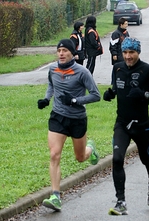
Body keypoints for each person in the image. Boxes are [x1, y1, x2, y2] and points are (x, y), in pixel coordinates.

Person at [104, 37, 149, 215]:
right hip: (122, 123)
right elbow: (116, 88)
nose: (127, 56)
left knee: (145, 158)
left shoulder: (147, 70)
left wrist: (145, 94)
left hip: (141, 125)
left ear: (138, 52)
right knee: (117, 159)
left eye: (131, 52)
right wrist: (110, 93)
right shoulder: (117, 68)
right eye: (125, 52)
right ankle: (121, 201)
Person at [37, 39, 101, 211]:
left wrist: (74, 101)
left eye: (65, 50)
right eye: (59, 50)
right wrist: (46, 98)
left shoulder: (82, 72)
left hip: (77, 119)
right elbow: (51, 84)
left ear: (72, 53)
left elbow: (96, 95)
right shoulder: (52, 69)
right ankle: (55, 196)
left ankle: (90, 149)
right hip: (58, 117)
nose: (61, 53)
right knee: (54, 154)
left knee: (80, 158)